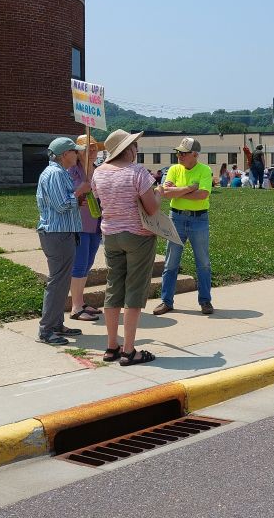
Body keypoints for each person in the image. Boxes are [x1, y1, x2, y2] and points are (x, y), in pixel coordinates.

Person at [91, 129, 159, 366]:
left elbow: (99, 200)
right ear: (128, 149)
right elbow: (152, 209)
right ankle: (129, 351)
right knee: (134, 291)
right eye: (134, 146)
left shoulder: (98, 172)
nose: (136, 149)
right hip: (138, 235)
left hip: (110, 234)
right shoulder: (138, 172)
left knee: (113, 288)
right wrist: (158, 194)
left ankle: (112, 346)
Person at [154, 137, 214, 316]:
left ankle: (205, 301)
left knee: (203, 263)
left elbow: (202, 195)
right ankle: (166, 301)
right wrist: (189, 188)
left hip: (199, 219)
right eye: (178, 152)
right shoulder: (173, 169)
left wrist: (177, 191)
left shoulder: (205, 169)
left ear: (195, 154)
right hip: (176, 218)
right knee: (170, 263)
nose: (179, 156)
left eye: (183, 153)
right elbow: (164, 193)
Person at [35, 136, 85, 345]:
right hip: (57, 234)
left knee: (62, 281)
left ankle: (56, 324)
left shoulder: (59, 172)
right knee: (57, 282)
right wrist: (80, 191)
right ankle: (46, 330)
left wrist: (77, 199)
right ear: (65, 154)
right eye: (74, 151)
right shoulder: (55, 173)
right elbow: (61, 205)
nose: (77, 154)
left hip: (62, 233)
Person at [67, 134, 104, 322]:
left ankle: (81, 302)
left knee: (88, 263)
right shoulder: (73, 171)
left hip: (96, 223)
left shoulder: (98, 170)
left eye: (95, 147)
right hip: (79, 223)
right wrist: (83, 187)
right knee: (80, 264)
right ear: (79, 152)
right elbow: (71, 193)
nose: (93, 150)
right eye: (89, 148)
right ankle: (75, 306)